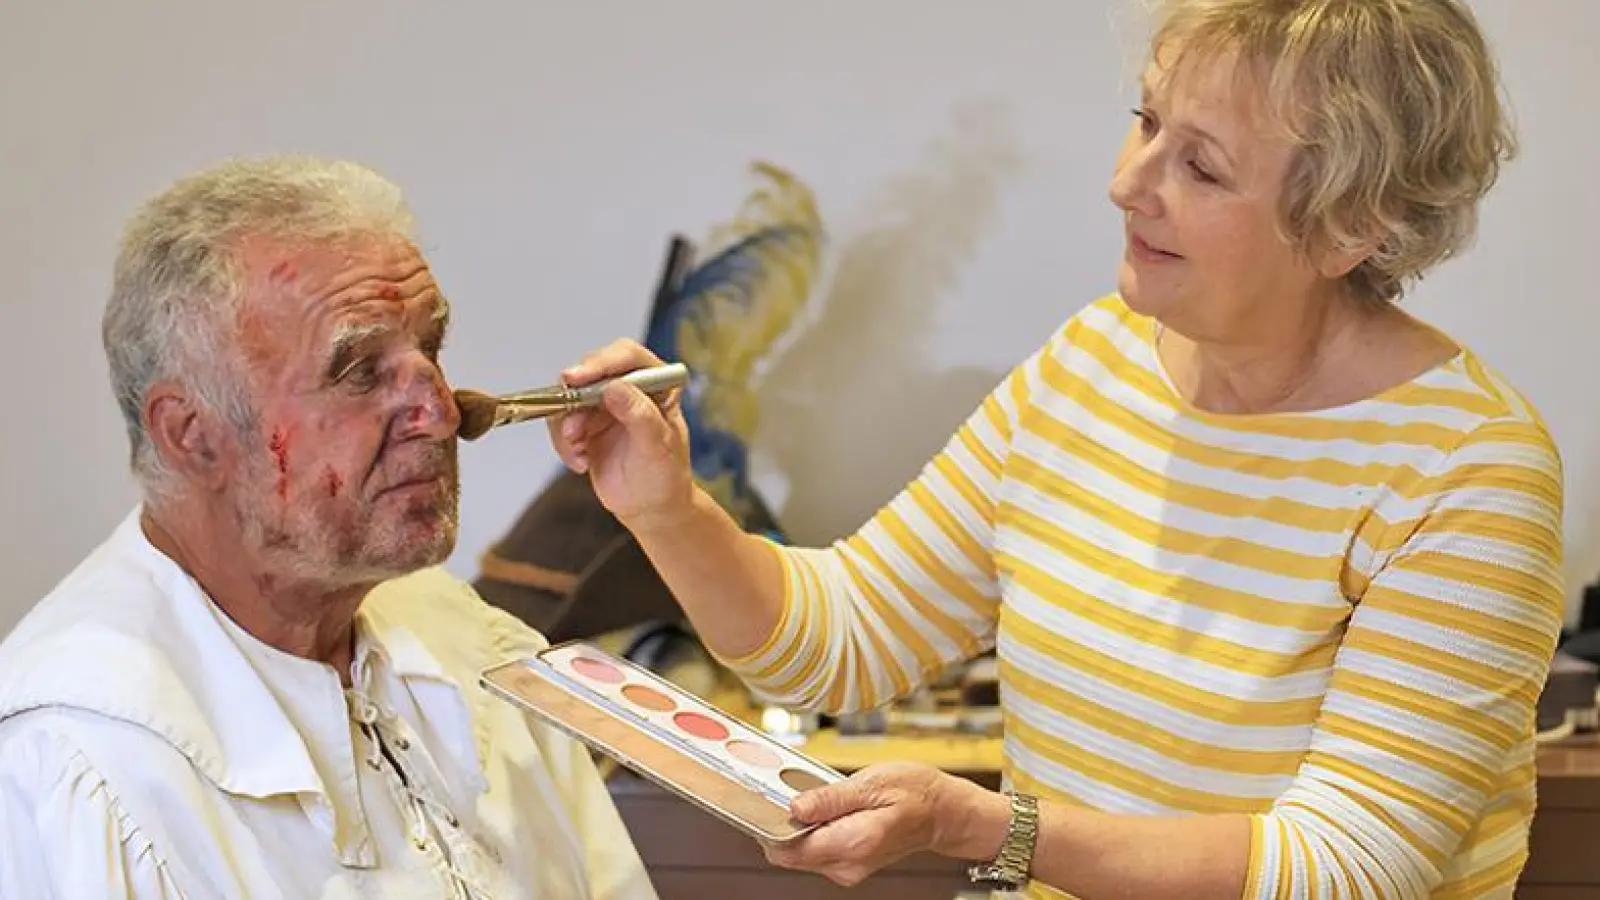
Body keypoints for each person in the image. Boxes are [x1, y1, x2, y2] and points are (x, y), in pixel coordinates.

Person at [549, 1, 1564, 898]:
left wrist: (986, 826)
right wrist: (664, 507)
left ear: (1353, 228)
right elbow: (839, 642)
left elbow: (1344, 868)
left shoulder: (1467, 470)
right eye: (1147, 121)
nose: (1129, 183)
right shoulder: (1093, 363)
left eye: (1201, 165)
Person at [0, 157, 657, 900]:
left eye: (430, 352)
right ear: (192, 434)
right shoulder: (76, 763)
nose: (442, 413)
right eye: (359, 373)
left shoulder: (468, 642)